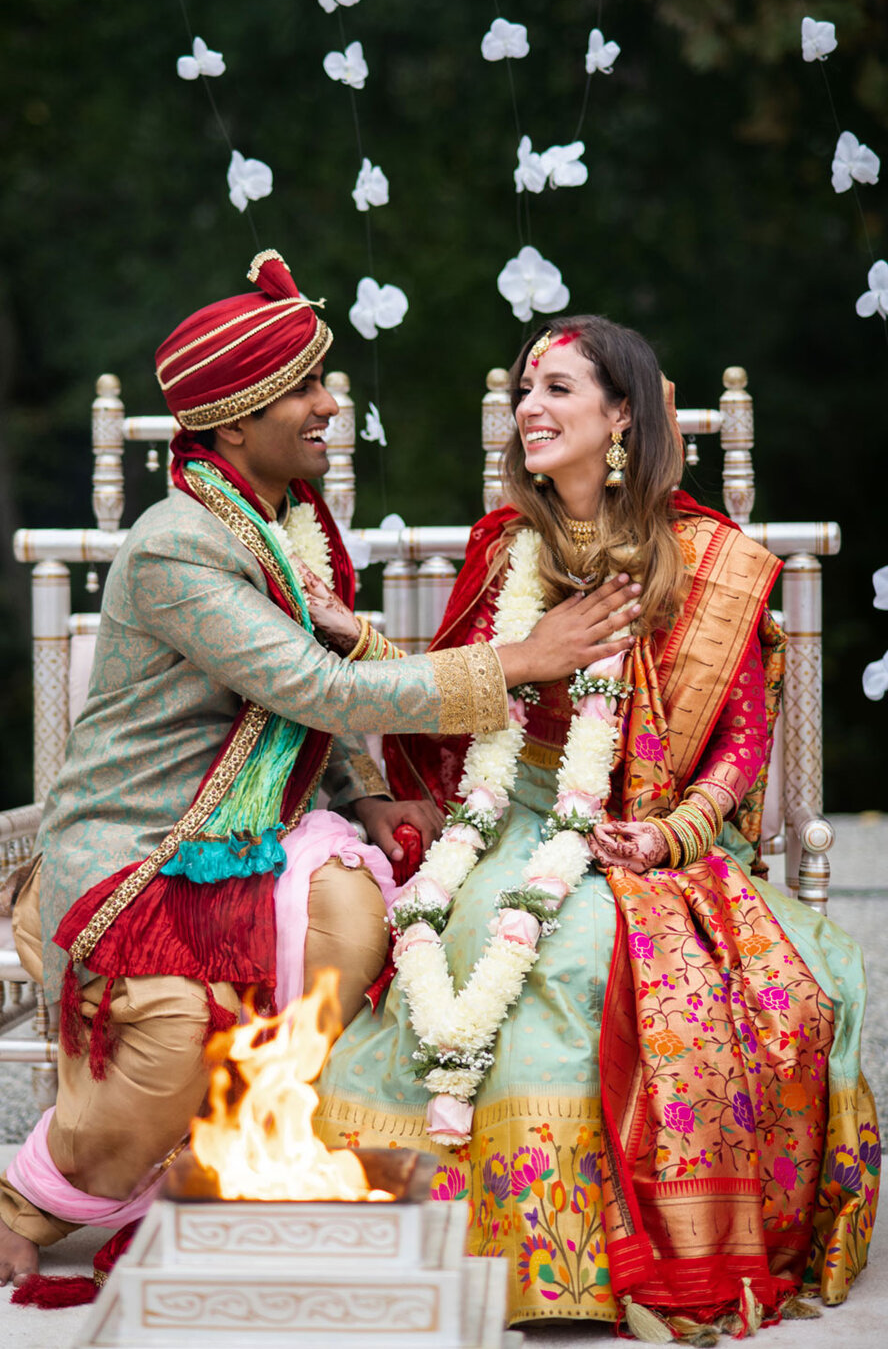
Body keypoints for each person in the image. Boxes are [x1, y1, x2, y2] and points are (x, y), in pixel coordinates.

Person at [0, 257, 644, 1291]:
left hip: (244, 838)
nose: (331, 406)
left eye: (324, 383)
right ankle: (31, 1196)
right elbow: (306, 685)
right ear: (234, 425)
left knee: (352, 921)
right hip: (137, 853)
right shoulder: (179, 546)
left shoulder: (285, 527)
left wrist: (357, 793)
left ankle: (233, 1153)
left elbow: (295, 717)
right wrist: (519, 660)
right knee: (174, 1036)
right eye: (304, 391)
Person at [315, 316, 880, 1336]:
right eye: (526, 389)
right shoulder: (504, 551)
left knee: (605, 959)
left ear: (624, 417)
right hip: (514, 818)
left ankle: (592, 1260)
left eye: (559, 389)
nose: (531, 406)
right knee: (494, 947)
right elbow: (451, 694)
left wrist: (667, 837)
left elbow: (742, 745)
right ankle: (483, 1251)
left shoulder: (711, 559)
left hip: (660, 834)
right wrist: (349, 634)